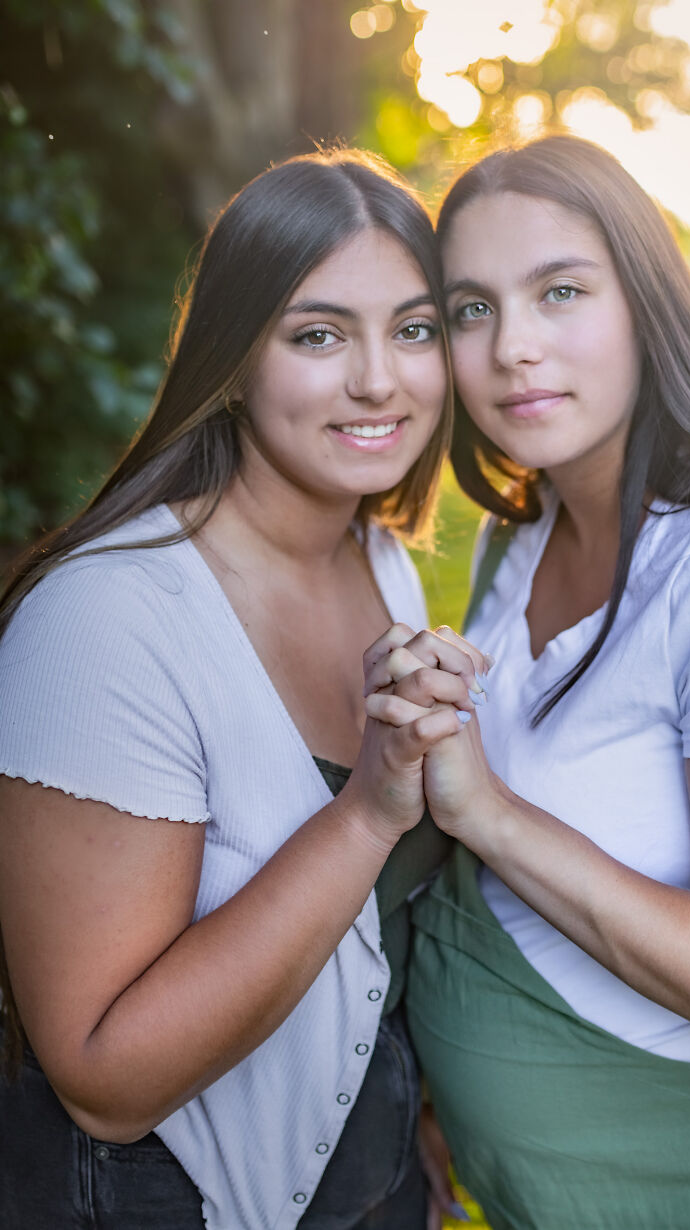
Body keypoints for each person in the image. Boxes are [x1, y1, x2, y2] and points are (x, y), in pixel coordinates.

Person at [364, 135, 690, 1230]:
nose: (514, 348)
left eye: (560, 291)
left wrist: (488, 815)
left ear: (646, 300)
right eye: (470, 310)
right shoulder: (527, 535)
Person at [0, 148, 482, 1230]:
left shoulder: (378, 560)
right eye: (318, 335)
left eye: (412, 329)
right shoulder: (106, 619)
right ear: (230, 361)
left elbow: (372, 944)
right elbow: (103, 1080)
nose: (379, 379)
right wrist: (366, 810)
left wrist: (420, 1108)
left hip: (366, 1179)